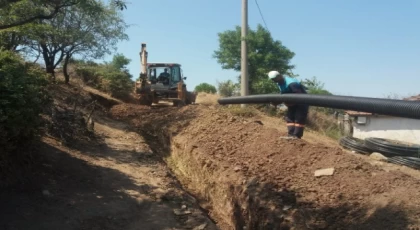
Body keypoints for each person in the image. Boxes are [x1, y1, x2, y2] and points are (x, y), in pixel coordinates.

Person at [268, 70, 309, 139]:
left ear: (279, 76)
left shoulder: (291, 83)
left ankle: (296, 136)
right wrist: (277, 102)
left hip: (302, 103)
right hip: (292, 103)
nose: (274, 81)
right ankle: (290, 135)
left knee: (298, 118)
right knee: (290, 118)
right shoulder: (280, 83)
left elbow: (299, 96)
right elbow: (284, 95)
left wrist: (289, 102)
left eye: (275, 79)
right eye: (273, 79)